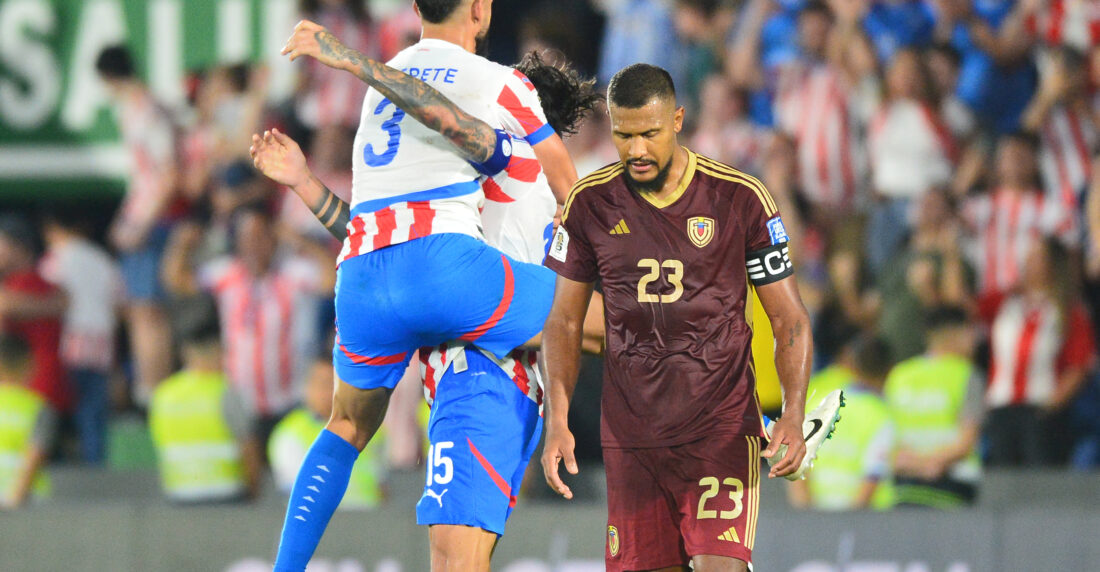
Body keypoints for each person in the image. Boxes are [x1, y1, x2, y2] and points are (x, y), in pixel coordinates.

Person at [253, 22, 599, 569]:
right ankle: (737, 408)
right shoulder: (511, 158)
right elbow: (451, 139)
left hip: (465, 360)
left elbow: (394, 245)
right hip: (490, 361)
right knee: (623, 315)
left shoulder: (505, 165)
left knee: (347, 427)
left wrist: (306, 185)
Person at [540, 63, 831, 572]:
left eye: (649, 134)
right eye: (623, 135)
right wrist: (558, 419)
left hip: (719, 430)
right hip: (633, 439)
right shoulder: (589, 204)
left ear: (677, 119)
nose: (636, 150)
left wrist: (792, 409)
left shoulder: (740, 198)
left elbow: (790, 320)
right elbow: (564, 322)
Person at [161, 207, 334, 447]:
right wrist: (182, 246)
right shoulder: (227, 274)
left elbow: (332, 279)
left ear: (274, 238)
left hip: (290, 401)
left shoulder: (292, 274)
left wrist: (298, 239)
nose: (254, 245)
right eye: (247, 238)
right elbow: (177, 281)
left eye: (261, 236)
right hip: (243, 402)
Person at [95, 45, 178, 402]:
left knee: (148, 311)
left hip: (154, 220)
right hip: (143, 216)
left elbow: (169, 174)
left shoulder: (146, 111)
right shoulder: (137, 109)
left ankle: (153, 392)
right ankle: (150, 387)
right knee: (139, 309)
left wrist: (141, 223)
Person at [40, 210, 124, 465]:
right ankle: (94, 467)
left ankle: (54, 463)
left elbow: (49, 298)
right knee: (93, 413)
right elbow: (120, 306)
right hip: (101, 345)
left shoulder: (55, 259)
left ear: (52, 230)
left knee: (55, 409)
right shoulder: (103, 260)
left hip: (68, 344)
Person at [148, 319, 263, 503]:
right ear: (217, 355)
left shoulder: (163, 395)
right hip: (226, 493)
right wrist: (253, 490)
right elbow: (248, 447)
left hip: (179, 493)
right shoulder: (225, 392)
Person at [885, 306, 983, 508]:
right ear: (956, 334)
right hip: (952, 485)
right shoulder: (967, 375)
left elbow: (885, 437)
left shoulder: (899, 375)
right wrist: (930, 464)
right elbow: (968, 440)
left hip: (904, 484)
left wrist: (914, 465)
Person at [789, 336, 896, 511]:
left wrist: (806, 516)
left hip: (819, 515)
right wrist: (847, 523)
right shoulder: (881, 414)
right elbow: (873, 476)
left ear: (852, 365)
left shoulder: (819, 403)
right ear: (890, 370)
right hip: (866, 520)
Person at [269, 357, 384, 510]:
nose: (332, 392)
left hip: (374, 523)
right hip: (324, 526)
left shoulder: (373, 429)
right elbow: (299, 494)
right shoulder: (289, 433)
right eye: (324, 384)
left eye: (339, 384)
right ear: (307, 389)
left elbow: (383, 486)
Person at [0, 215, 68, 414]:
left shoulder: (21, 285)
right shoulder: (54, 290)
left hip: (26, 387)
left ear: (18, 247)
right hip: (48, 385)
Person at [0, 334, 56, 509]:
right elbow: (35, 454)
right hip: (28, 503)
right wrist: (14, 500)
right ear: (29, 366)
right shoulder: (39, 408)